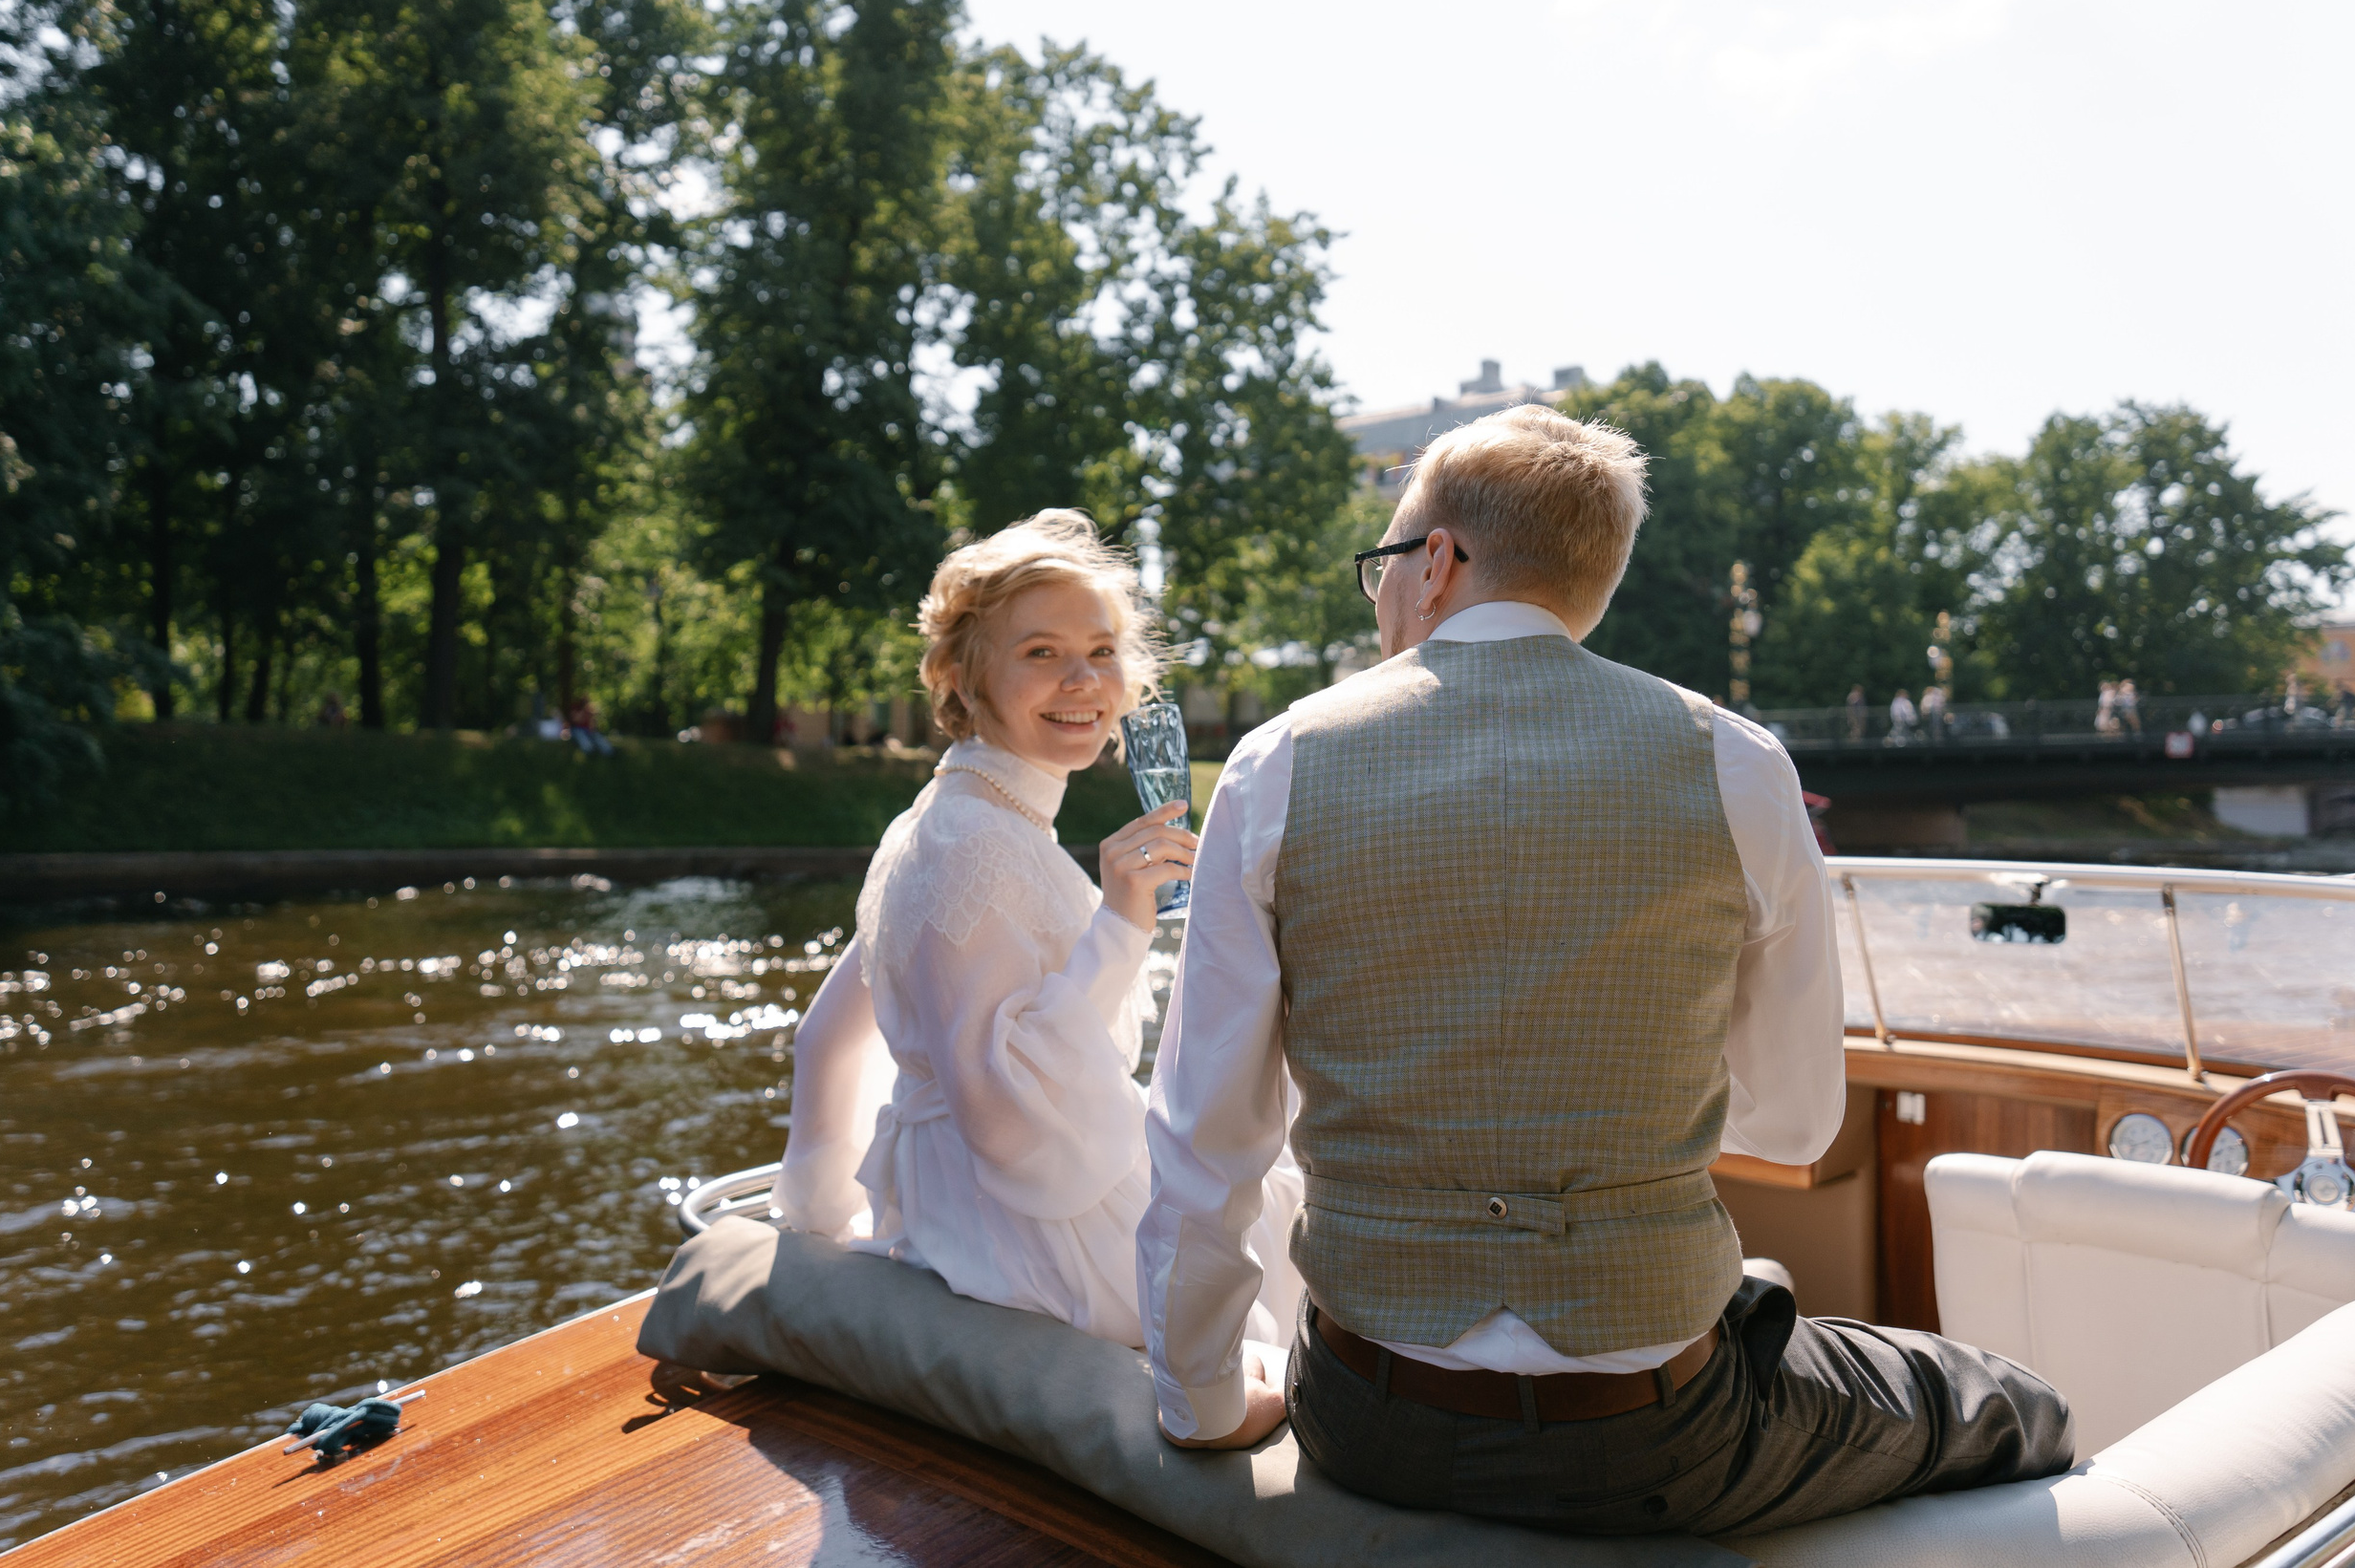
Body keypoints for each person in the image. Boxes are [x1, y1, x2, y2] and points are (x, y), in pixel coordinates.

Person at [1138, 406, 2071, 1536]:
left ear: (1435, 562)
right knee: (2006, 1402)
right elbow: (1791, 1127)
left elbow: (1206, 1138)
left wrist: (1194, 1399)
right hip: (1648, 1433)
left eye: (1382, 564)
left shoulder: (1278, 763)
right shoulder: (1733, 761)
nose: (1380, 593)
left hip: (1364, 1418)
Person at [771, 508, 1307, 1358]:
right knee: (1283, 1226)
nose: (1084, 680)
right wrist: (1122, 925)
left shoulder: (953, 821)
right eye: (1041, 652)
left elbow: (825, 1040)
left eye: (1101, 652)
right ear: (961, 674)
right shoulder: (972, 845)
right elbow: (1007, 1112)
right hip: (1028, 1229)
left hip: (971, 1206)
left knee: (1273, 1188)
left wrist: (811, 1228)